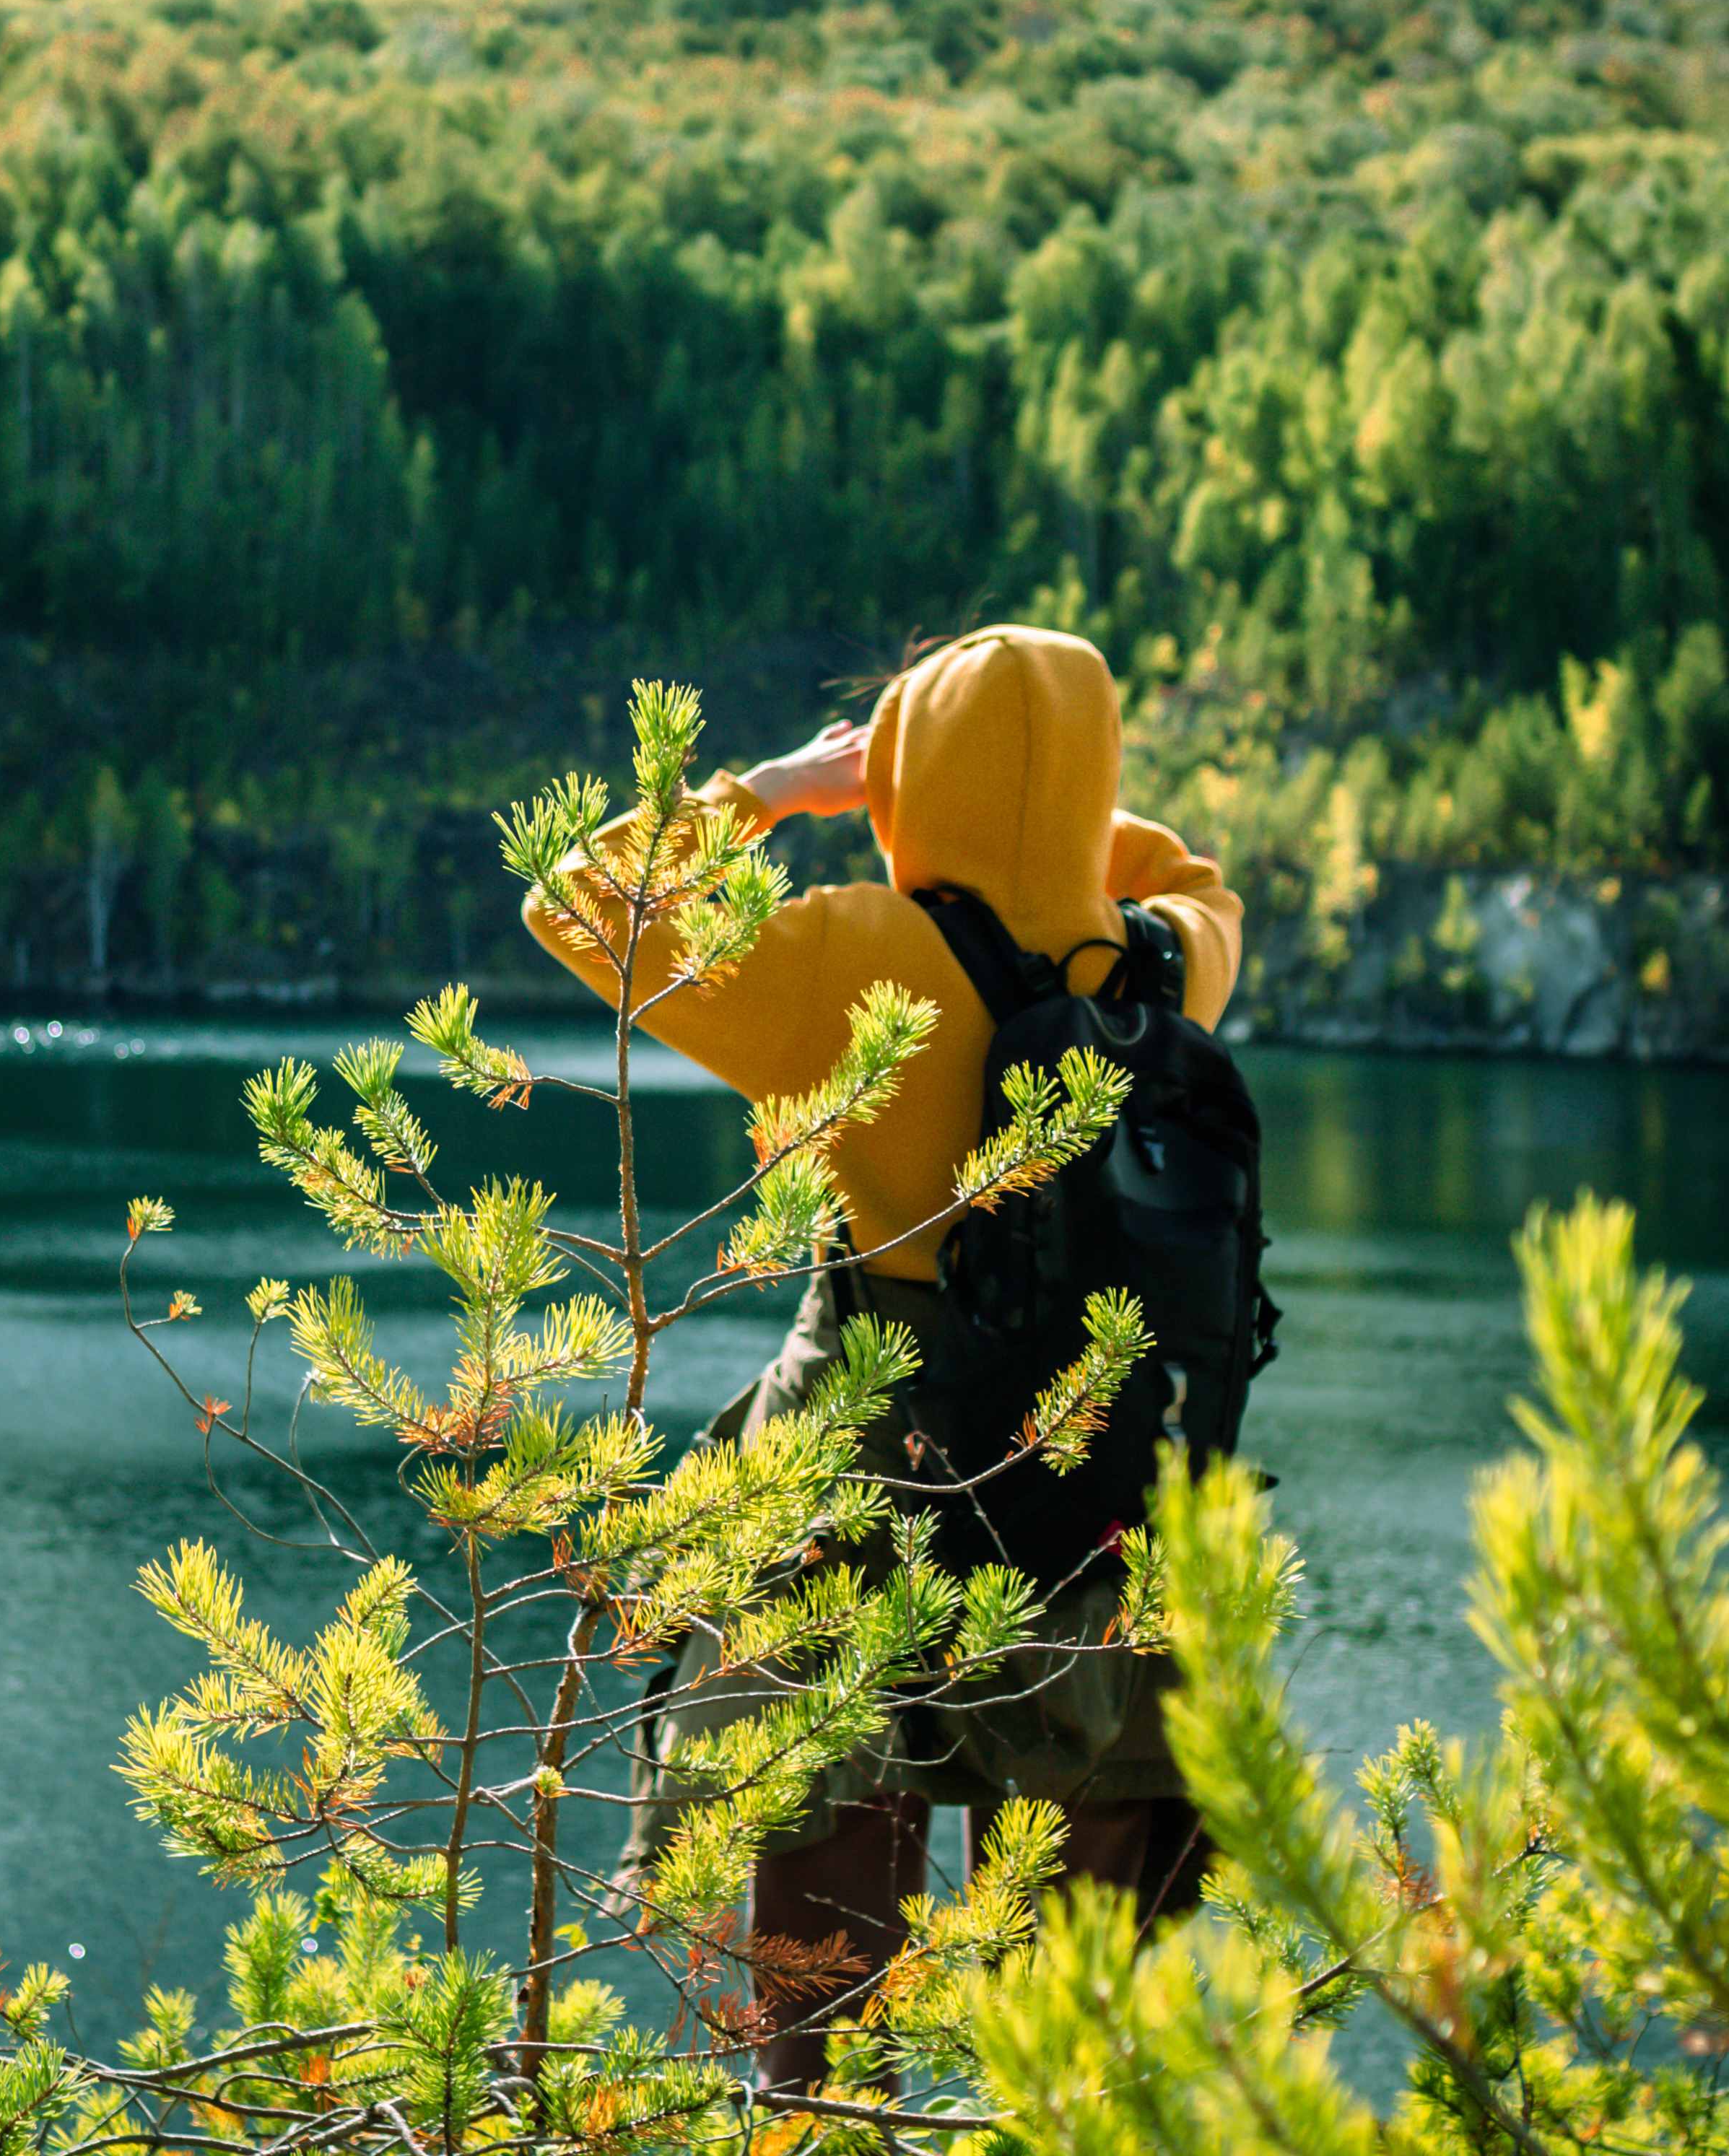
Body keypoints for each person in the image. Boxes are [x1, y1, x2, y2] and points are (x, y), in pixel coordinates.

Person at [519, 623, 1244, 2086]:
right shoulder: (1163, 970)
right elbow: (1200, 881)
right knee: (1078, 2055)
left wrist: (787, 788)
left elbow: (583, 898)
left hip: (862, 1516)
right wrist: (1062, 812)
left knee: (825, 2036)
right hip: (1098, 1523)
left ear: (908, 775)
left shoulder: (861, 960)